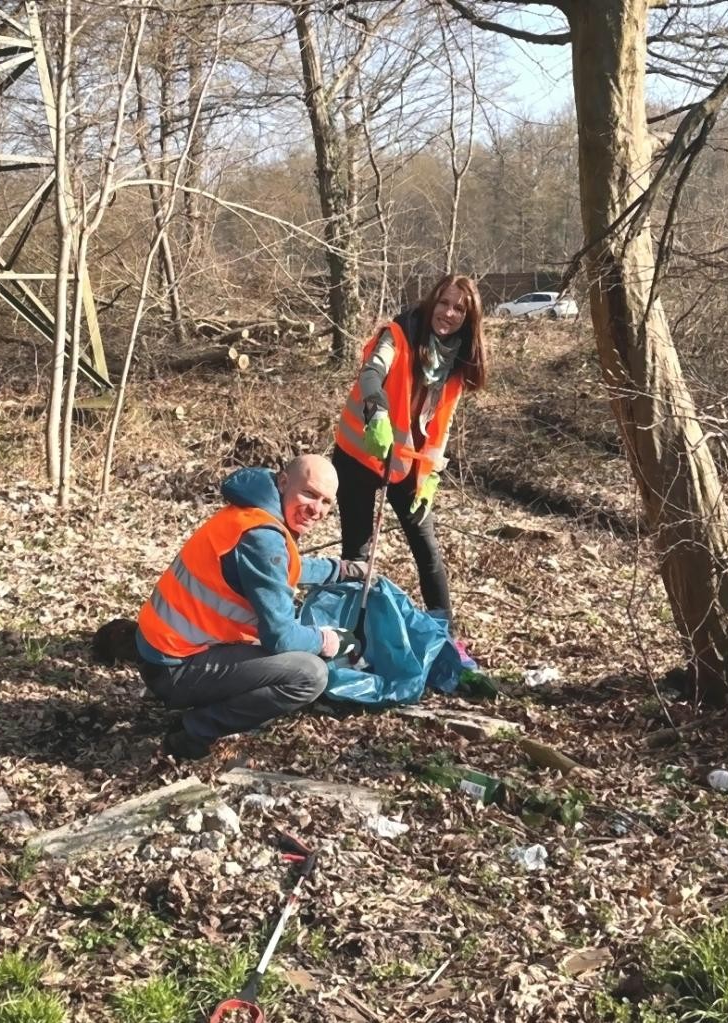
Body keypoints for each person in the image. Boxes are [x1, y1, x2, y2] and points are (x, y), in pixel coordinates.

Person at [135, 454, 365, 759]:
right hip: (173, 669)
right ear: (283, 482)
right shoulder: (262, 537)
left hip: (162, 649)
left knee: (291, 650)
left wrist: (340, 570)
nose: (316, 510)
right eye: (309, 494)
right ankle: (193, 731)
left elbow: (280, 567)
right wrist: (326, 639)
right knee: (309, 674)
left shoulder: (254, 513)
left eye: (326, 502)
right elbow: (280, 637)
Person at [333, 273, 487, 635]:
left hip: (405, 464)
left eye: (459, 310)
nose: (448, 313)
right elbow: (371, 373)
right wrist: (378, 413)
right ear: (432, 301)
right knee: (357, 550)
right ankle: (353, 633)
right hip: (359, 453)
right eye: (444, 303)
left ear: (469, 319)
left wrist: (431, 476)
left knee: (426, 547)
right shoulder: (400, 334)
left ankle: (444, 634)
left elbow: (442, 425)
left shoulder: (456, 363)